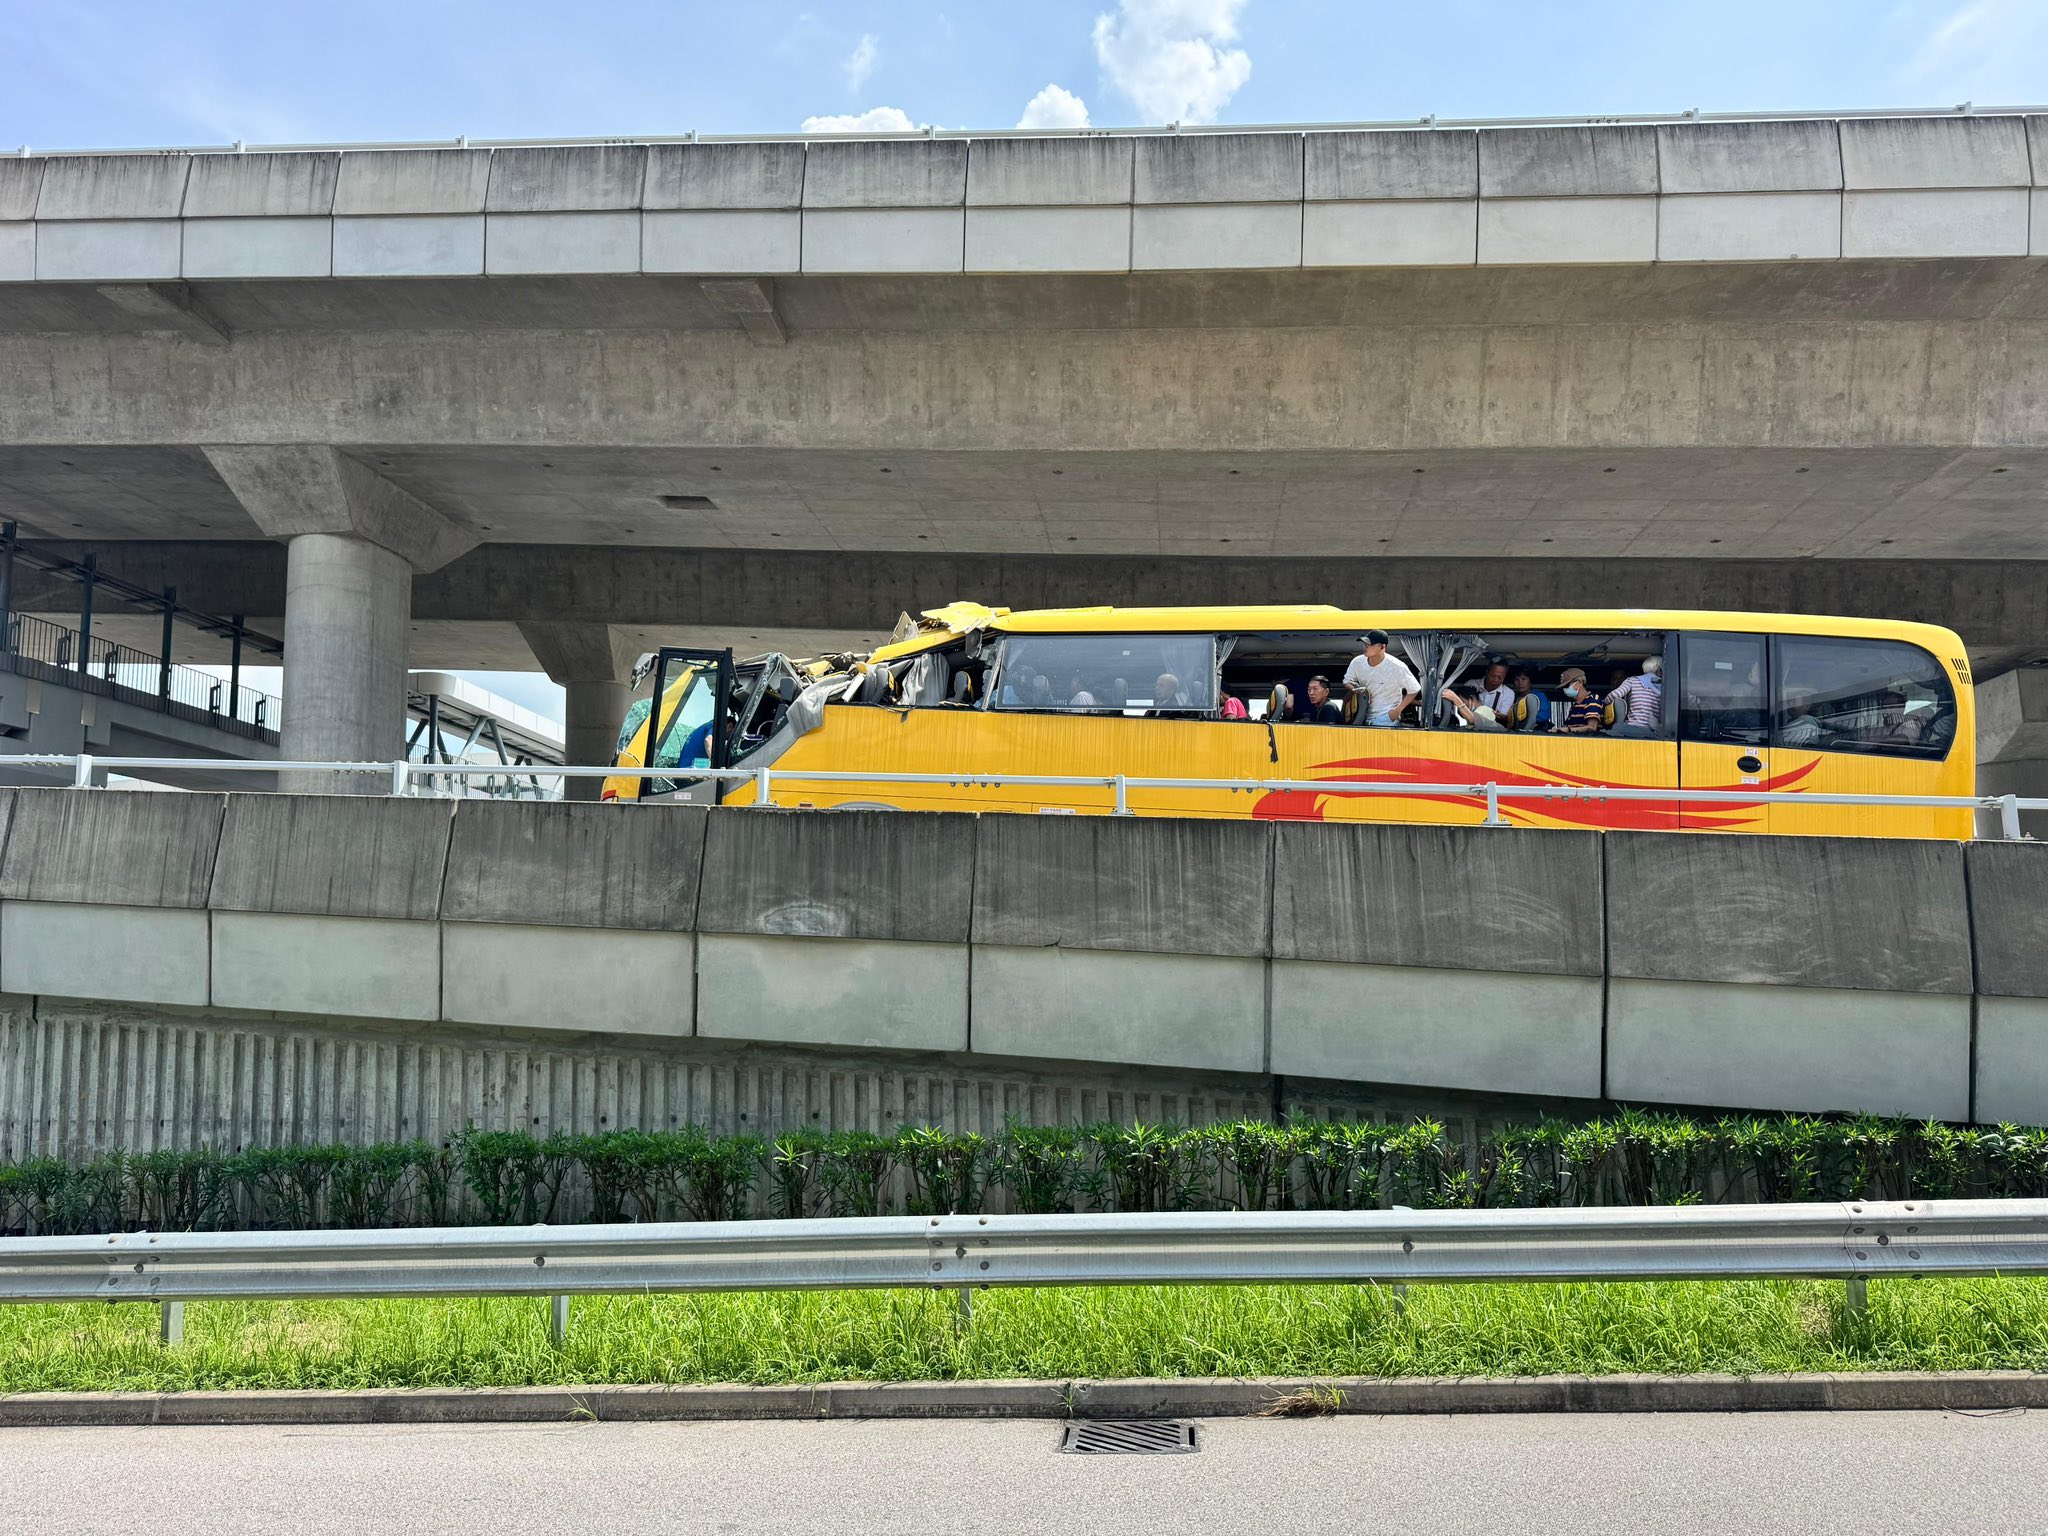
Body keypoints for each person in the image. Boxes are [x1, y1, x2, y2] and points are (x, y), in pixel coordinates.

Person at [1343, 630, 1419, 727]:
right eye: (1364, 643)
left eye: (1369, 644)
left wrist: (1397, 711)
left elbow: (1414, 689)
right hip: (1361, 716)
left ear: (1382, 647)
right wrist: (1357, 690)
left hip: (1386, 718)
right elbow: (1347, 681)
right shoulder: (1357, 662)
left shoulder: (1398, 666)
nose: (1365, 646)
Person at [1606, 656, 1663, 738]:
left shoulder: (1632, 680)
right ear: (1658, 670)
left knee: (1615, 728)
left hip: (1631, 730)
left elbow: (1615, 695)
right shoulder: (1664, 686)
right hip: (1653, 733)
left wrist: (1605, 703)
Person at [1555, 666, 1605, 734]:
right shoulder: (1575, 706)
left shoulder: (1593, 700)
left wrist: (1568, 730)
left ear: (1580, 683)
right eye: (1563, 687)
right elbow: (1566, 728)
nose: (1565, 689)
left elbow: (1592, 727)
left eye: (1567, 685)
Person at [1440, 684, 1505, 732]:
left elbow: (1473, 720)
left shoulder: (1484, 710)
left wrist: (1456, 700)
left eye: (1463, 701)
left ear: (1471, 698)